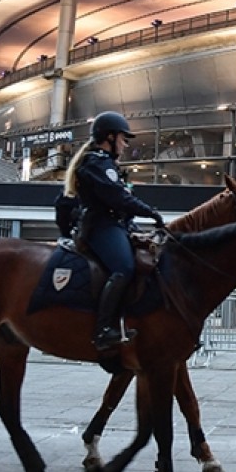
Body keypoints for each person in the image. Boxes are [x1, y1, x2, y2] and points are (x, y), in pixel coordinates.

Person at [67, 111, 165, 351]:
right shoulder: (97, 163)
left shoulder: (105, 163)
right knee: (124, 268)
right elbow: (118, 198)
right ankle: (103, 329)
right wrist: (151, 212)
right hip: (100, 227)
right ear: (108, 137)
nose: (125, 144)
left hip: (115, 225)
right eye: (123, 138)